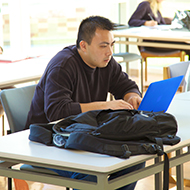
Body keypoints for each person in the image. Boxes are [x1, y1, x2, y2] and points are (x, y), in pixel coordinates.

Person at [25, 15, 145, 190]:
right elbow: (57, 112)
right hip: (48, 140)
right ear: (83, 45)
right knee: (91, 175)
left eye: (112, 45)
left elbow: (127, 86)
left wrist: (131, 96)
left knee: (133, 162)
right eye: (103, 46)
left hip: (80, 136)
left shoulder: (106, 63)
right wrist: (105, 105)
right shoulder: (63, 65)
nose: (110, 52)